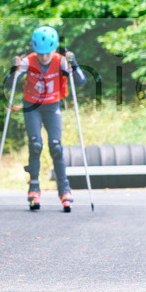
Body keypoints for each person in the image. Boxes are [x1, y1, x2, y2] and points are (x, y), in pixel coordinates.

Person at [5, 26, 87, 212]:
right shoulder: (29, 60)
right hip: (32, 106)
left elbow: (81, 81)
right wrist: (14, 69)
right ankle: (34, 188)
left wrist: (74, 64)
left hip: (52, 106)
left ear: (54, 48)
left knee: (56, 146)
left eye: (47, 53)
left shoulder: (61, 61)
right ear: (36, 50)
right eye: (40, 54)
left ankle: (64, 190)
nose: (44, 58)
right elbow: (9, 84)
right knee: (35, 144)